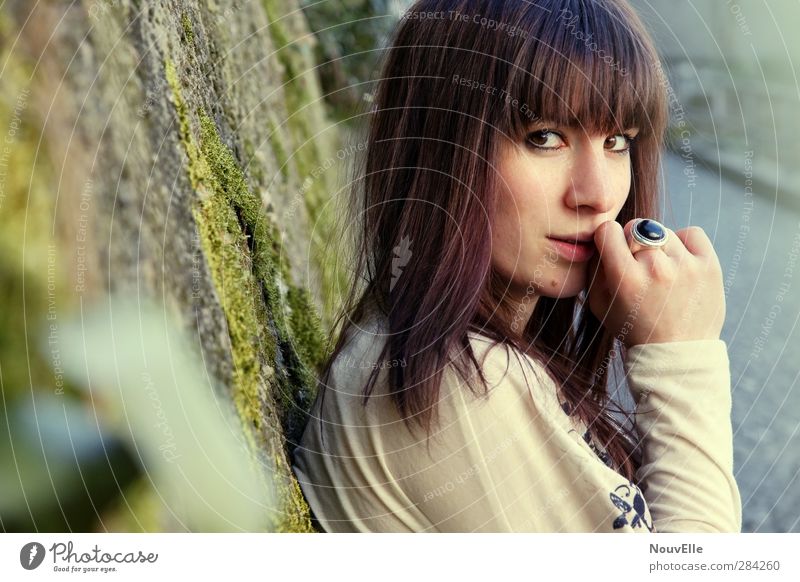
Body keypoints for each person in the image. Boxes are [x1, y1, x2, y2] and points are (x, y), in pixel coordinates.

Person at [291, 0, 742, 533]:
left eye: (616, 141)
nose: (597, 195)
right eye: (544, 137)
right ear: (442, 144)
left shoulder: (473, 361)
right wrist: (682, 358)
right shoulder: (445, 388)